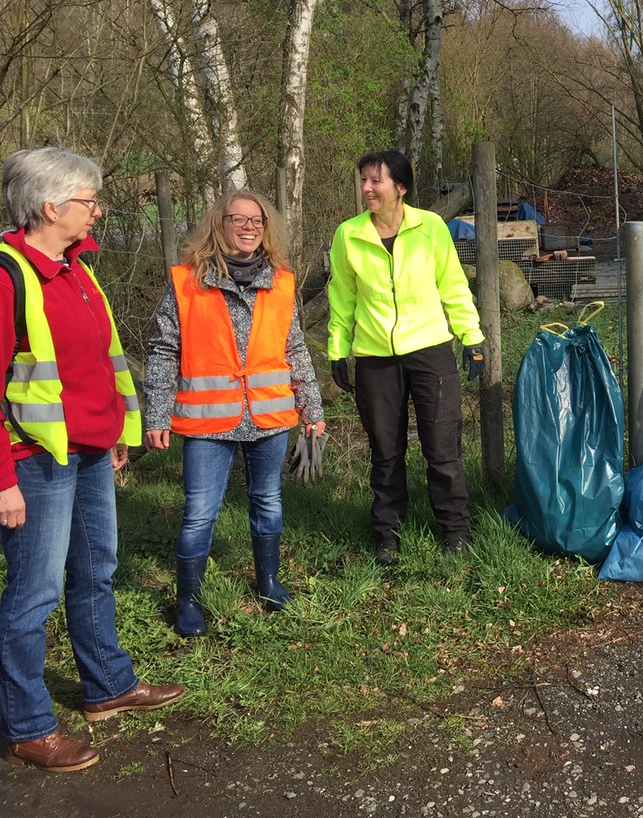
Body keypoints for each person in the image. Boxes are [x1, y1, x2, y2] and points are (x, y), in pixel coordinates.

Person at [0, 148, 183, 773]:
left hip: (89, 453)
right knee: (33, 595)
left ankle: (108, 687)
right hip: (34, 462)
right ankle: (27, 726)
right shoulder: (8, 276)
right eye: (88, 200)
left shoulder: (78, 268)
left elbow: (102, 362)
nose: (97, 210)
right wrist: (4, 482)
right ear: (51, 207)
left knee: (96, 570)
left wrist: (118, 433)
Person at [143, 189, 326, 637]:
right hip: (208, 421)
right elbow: (165, 349)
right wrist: (156, 415)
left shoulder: (281, 280)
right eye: (238, 219)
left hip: (269, 416)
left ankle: (268, 582)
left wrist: (312, 407)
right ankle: (188, 601)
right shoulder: (187, 280)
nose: (248, 227)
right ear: (218, 224)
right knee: (199, 511)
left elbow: (294, 347)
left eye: (257, 220)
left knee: (267, 501)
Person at [327, 150, 485, 565]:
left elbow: (452, 285)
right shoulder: (348, 234)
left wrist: (472, 337)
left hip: (430, 351)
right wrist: (337, 348)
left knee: (442, 447)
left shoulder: (431, 228)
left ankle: (455, 532)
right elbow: (342, 298)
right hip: (376, 358)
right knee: (385, 450)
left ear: (401, 187)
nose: (366, 188)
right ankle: (387, 537)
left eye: (375, 181)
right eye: (363, 180)